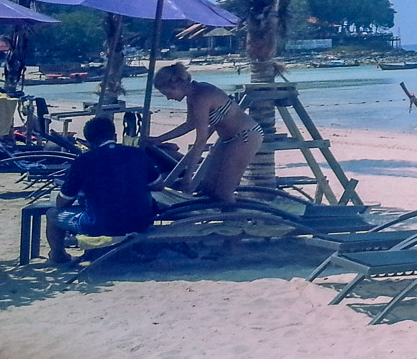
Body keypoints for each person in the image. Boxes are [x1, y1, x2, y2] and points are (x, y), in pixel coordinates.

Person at [46, 116, 160, 264]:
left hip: (100, 225)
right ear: (115, 136)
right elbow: (159, 185)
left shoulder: (84, 160)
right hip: (140, 222)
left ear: (89, 142)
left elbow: (63, 201)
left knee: (52, 214)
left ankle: (58, 255)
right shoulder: (137, 154)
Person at [144, 63, 263, 203]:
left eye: (168, 94)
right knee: (208, 189)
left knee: (224, 192)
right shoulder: (193, 95)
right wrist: (159, 139)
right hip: (227, 139)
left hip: (245, 136)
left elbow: (201, 140)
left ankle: (237, 223)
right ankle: (227, 217)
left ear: (176, 85)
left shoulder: (201, 96)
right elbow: (190, 124)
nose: (169, 99)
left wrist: (189, 176)